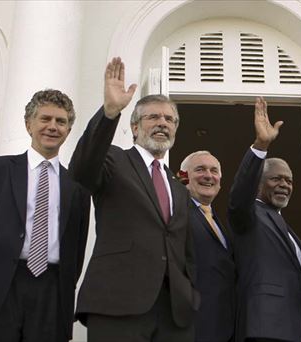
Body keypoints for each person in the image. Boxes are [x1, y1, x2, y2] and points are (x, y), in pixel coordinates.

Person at [69, 57, 199, 342]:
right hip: (119, 304)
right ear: (136, 127)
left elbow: (186, 249)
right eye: (153, 117)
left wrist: (191, 293)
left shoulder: (178, 185)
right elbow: (81, 169)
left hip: (174, 313)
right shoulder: (114, 159)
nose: (162, 123)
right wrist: (109, 113)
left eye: (169, 119)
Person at [0, 89, 90, 342]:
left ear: (69, 130)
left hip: (51, 293)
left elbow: (76, 250)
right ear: (29, 124)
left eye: (61, 121)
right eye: (45, 119)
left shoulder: (78, 186)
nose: (52, 127)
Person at [228, 97, 301, 342]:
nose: (284, 184)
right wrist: (260, 146)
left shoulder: (282, 223)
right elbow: (238, 196)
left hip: (294, 329)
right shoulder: (249, 213)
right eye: (276, 179)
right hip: (264, 328)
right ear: (259, 184)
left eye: (289, 181)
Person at [180, 151, 236, 342]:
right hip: (192, 326)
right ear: (184, 176)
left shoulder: (219, 222)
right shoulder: (176, 213)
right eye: (200, 169)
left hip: (225, 327)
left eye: (214, 171)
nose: (208, 175)